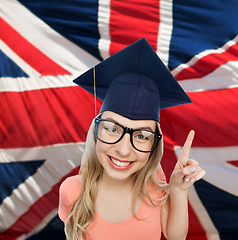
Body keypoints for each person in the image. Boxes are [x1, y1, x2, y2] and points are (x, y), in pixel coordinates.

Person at [58, 38, 206, 240]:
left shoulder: (155, 187)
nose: (124, 150)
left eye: (142, 136)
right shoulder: (72, 190)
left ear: (154, 146)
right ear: (95, 131)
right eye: (112, 129)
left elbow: (175, 236)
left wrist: (178, 190)